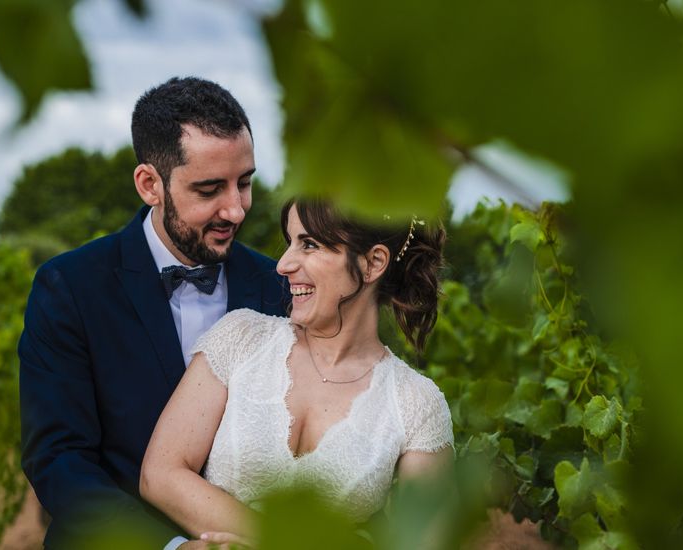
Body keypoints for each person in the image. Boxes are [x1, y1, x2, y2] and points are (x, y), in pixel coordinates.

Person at [19, 77, 288, 549]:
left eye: (243, 183)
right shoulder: (70, 287)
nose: (236, 210)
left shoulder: (280, 287)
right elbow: (60, 459)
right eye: (209, 190)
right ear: (150, 185)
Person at [140, 198, 455, 548]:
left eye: (309, 245)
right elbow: (161, 474)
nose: (284, 264)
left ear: (373, 263)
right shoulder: (240, 337)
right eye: (290, 242)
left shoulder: (416, 404)